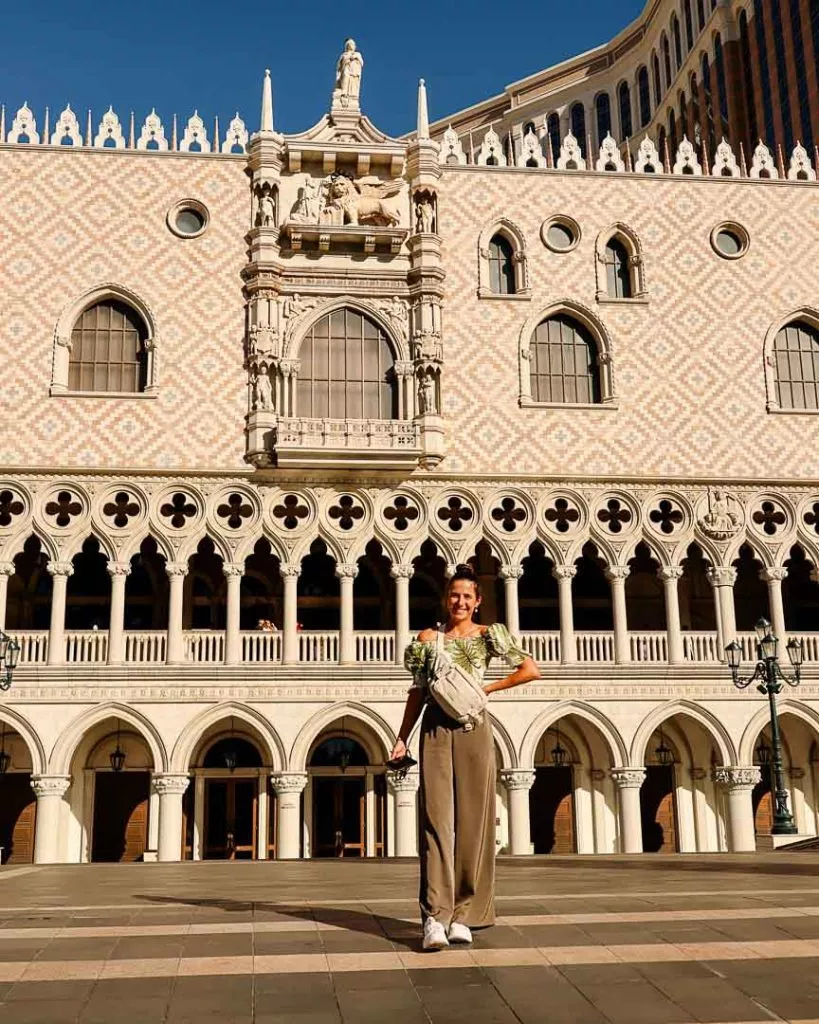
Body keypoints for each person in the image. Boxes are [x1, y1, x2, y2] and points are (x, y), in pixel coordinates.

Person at [390, 563, 541, 951]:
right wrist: (402, 737)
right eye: (454, 595)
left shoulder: (490, 636)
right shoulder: (428, 639)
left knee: (474, 824)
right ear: (447, 599)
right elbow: (417, 693)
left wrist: (486, 689)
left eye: (467, 597)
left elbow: (530, 670)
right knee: (436, 822)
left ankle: (465, 915)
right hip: (436, 728)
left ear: (478, 601)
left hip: (475, 725)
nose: (460, 601)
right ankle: (434, 918)